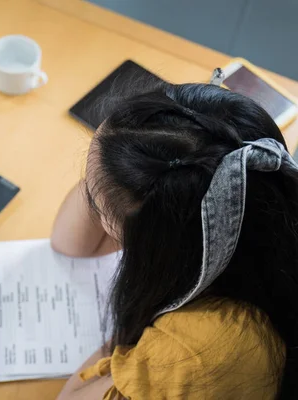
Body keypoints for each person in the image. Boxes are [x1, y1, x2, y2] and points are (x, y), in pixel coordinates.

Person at [53, 81, 297, 399]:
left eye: (97, 205)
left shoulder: (193, 352)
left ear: (159, 243)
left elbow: (67, 397)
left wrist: (107, 177)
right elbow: (69, 245)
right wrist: (109, 163)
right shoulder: (258, 207)